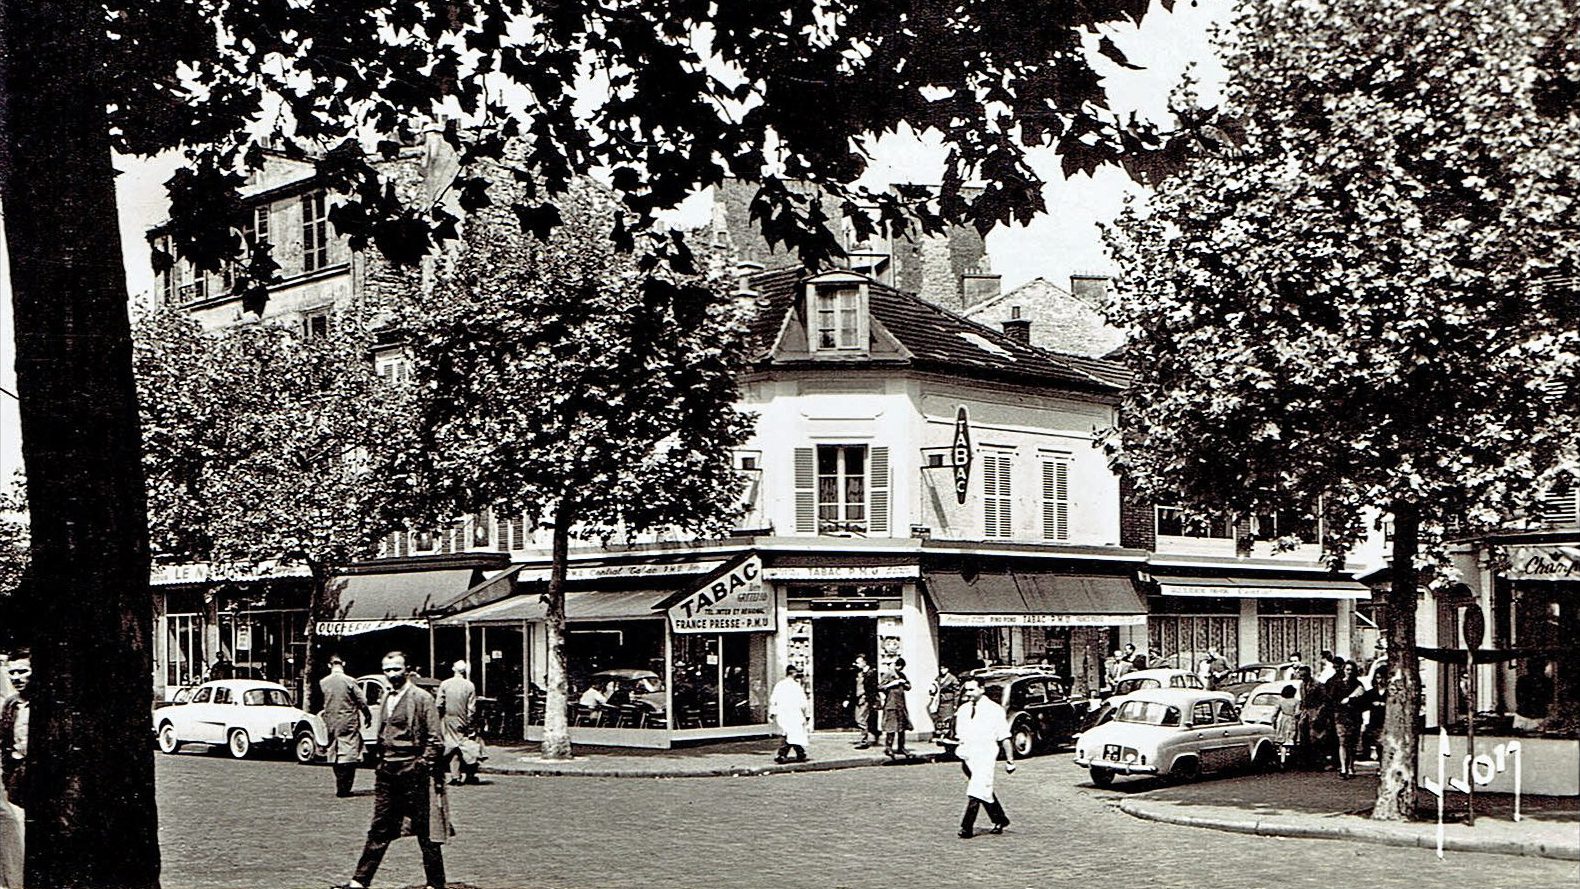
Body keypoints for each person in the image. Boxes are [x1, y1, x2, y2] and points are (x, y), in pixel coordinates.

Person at [336, 652, 450, 889]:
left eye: (396, 669)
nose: (392, 675)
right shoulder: (386, 696)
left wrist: (422, 764)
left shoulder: (421, 698)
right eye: (387, 670)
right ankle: (359, 881)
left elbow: (435, 738)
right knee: (379, 826)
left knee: (425, 828)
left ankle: (435, 883)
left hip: (413, 771)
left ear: (407, 670)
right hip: (387, 771)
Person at [952, 677, 1015, 839]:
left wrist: (1010, 760)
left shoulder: (994, 710)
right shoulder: (964, 710)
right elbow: (960, 733)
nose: (968, 694)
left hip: (985, 755)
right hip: (967, 756)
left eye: (972, 690)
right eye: (966, 690)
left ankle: (966, 827)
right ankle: (1000, 819)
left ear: (982, 689)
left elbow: (1004, 736)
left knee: (976, 790)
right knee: (983, 788)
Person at [319, 655, 372, 798]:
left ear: (329, 665)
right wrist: (367, 714)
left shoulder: (324, 682)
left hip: (331, 721)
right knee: (349, 752)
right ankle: (345, 786)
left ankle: (339, 784)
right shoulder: (349, 681)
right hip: (348, 720)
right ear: (344, 663)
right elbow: (362, 700)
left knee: (334, 751)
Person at [0, 652, 29, 889]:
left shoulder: (48, 703)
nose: (17, 677)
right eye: (13, 673)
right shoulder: (10, 704)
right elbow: (5, 740)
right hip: (18, 774)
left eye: (23, 671)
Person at [437, 660, 481, 787]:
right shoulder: (469, 685)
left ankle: (455, 775)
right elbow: (472, 708)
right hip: (463, 719)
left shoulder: (445, 684)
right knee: (466, 746)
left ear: (453, 669)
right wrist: (469, 721)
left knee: (453, 746)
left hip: (449, 719)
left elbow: (439, 704)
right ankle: (469, 774)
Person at [1329, 660, 1366, 779]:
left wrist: (1351, 700)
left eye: (1351, 670)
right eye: (1347, 669)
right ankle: (1344, 767)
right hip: (1341, 716)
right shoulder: (1337, 684)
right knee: (1343, 742)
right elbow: (1333, 700)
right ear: (1344, 670)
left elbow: (1363, 701)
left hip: (1354, 717)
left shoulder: (1358, 685)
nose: (1349, 672)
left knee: (1352, 744)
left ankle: (1350, 766)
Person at [768, 665, 810, 764]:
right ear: (793, 673)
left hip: (783, 713)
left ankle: (797, 753)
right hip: (795, 713)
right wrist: (807, 714)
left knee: (788, 733)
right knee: (792, 733)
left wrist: (772, 713)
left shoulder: (779, 685)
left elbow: (773, 700)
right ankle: (786, 754)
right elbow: (803, 701)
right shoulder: (796, 686)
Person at [880, 657, 913, 758]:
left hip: (901, 704)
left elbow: (909, 686)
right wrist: (892, 684)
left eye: (901, 667)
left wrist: (904, 683)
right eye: (898, 666)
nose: (899, 669)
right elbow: (880, 687)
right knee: (891, 727)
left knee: (901, 727)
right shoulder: (888, 674)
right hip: (891, 704)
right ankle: (888, 747)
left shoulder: (902, 675)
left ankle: (901, 747)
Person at [846, 655, 880, 748]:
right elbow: (853, 686)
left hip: (866, 699)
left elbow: (873, 688)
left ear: (864, 662)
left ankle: (865, 739)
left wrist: (870, 698)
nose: (856, 665)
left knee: (861, 719)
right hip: (858, 699)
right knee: (859, 718)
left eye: (858, 662)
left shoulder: (871, 673)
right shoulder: (858, 673)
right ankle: (868, 737)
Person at [928, 664, 961, 745]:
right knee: (940, 719)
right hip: (940, 701)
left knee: (948, 719)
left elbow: (957, 692)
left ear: (947, 669)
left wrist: (955, 703)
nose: (942, 670)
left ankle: (948, 735)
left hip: (949, 701)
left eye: (944, 668)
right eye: (941, 668)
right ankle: (940, 736)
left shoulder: (952, 678)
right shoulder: (938, 678)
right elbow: (934, 687)